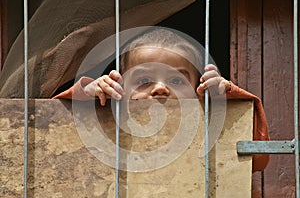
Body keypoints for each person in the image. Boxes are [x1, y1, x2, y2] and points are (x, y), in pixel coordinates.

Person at [53, 28, 270, 172]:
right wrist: (87, 94)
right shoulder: (113, 117)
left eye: (176, 80)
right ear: (120, 89)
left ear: (198, 90)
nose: (160, 88)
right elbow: (49, 133)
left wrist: (226, 98)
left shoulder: (206, 125)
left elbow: (259, 160)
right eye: (144, 79)